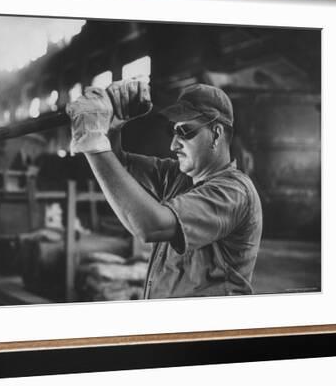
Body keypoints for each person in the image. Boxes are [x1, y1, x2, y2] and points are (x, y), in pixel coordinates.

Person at [66, 80, 262, 299]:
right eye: (173, 131)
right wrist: (113, 129)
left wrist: (92, 142)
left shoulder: (234, 192)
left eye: (185, 131)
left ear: (216, 134)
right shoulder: (180, 178)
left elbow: (151, 226)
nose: (173, 144)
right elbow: (118, 170)